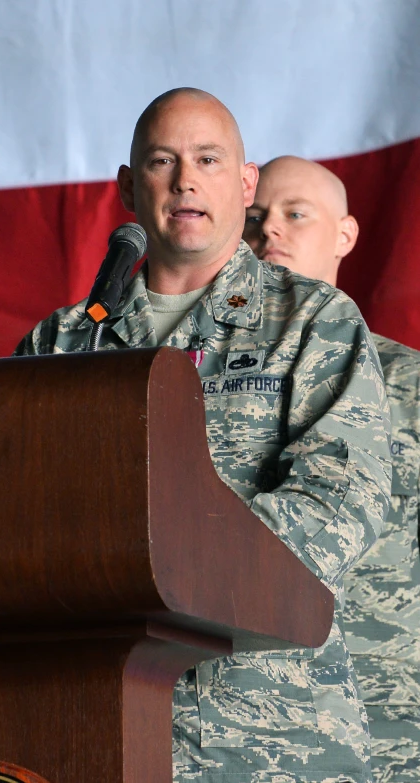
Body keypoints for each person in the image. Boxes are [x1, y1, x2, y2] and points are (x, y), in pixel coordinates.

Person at [15, 89, 392, 783]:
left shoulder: (310, 320)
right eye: (163, 161)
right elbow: (5, 514)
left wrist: (168, 559)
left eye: (208, 159)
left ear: (244, 186)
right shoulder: (63, 341)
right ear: (131, 188)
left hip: (266, 738)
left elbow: (346, 497)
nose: (186, 179)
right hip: (93, 727)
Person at [244, 154, 420, 782]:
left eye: (296, 214)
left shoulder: (410, 385)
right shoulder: (203, 379)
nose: (271, 233)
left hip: (394, 713)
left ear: (344, 235)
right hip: (256, 720)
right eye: (255, 218)